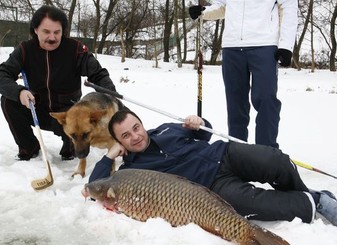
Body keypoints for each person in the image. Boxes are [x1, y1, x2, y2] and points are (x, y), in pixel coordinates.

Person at [89, 109, 337, 226]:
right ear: (120, 142)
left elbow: (205, 133)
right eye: (125, 136)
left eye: (136, 128)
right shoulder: (131, 172)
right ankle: (317, 202)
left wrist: (199, 121)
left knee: (275, 160)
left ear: (142, 125)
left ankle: (305, 191)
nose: (135, 136)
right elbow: (94, 189)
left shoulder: (165, 129)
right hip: (212, 187)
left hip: (224, 154)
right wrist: (109, 156)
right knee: (257, 204)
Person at [0, 5, 116, 161]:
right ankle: (29, 147)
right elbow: (0, 75)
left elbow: (98, 74)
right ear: (35, 29)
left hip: (68, 113)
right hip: (36, 108)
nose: (52, 37)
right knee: (8, 101)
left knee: (75, 122)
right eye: (46, 32)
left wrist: (110, 96)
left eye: (57, 32)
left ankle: (70, 146)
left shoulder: (75, 49)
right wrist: (19, 92)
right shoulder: (25, 50)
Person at [188, 1, 298, 148]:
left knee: (265, 98)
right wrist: (204, 11)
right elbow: (222, 5)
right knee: (235, 103)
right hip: (232, 46)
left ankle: (266, 152)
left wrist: (286, 45)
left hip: (264, 44)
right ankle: (237, 151)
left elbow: (289, 8)